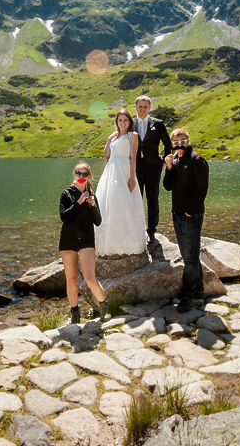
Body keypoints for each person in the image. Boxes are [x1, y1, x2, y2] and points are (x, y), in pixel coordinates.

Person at [162, 128, 209, 313]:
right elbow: (167, 186)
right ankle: (199, 287)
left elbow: (202, 188)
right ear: (172, 143)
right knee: (188, 254)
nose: (179, 145)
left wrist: (191, 211)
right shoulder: (175, 160)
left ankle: (187, 295)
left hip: (191, 215)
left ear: (188, 141)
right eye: (176, 142)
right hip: (177, 213)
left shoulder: (197, 160)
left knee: (189, 259)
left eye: (183, 141)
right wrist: (169, 167)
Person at [58, 161, 109, 323]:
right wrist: (79, 202)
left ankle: (104, 306)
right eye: (78, 174)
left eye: (84, 174)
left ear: (89, 177)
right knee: (71, 279)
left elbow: (98, 221)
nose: (81, 177)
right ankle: (75, 312)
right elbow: (64, 217)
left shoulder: (92, 196)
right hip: (68, 240)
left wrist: (93, 206)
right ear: (74, 175)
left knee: (90, 278)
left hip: (86, 240)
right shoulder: (66, 194)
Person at [95, 109, 147, 256]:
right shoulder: (114, 136)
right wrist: (108, 140)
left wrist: (131, 177)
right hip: (110, 171)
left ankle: (129, 243)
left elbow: (133, 157)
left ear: (129, 121)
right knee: (109, 204)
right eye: (120, 120)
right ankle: (109, 243)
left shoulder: (133, 135)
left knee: (124, 203)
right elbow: (106, 155)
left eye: (125, 120)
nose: (122, 123)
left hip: (124, 171)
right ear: (116, 122)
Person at [133, 95, 172, 246]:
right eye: (140, 106)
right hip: (135, 167)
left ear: (150, 108)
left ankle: (151, 231)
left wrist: (163, 161)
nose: (143, 109)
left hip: (153, 167)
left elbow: (167, 144)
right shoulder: (131, 123)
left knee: (152, 199)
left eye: (145, 106)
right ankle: (137, 230)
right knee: (136, 199)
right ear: (135, 107)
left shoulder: (158, 123)